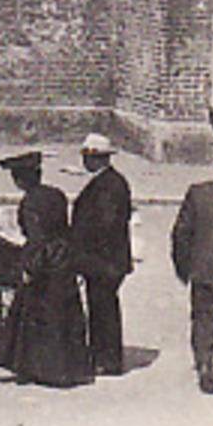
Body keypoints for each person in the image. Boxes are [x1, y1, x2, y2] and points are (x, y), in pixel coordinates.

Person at [0, 152, 93, 388]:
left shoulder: (30, 202)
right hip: (63, 259)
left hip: (45, 263)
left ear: (20, 180)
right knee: (65, 315)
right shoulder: (55, 194)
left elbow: (37, 239)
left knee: (37, 318)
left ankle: (43, 370)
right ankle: (71, 369)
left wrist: (29, 268)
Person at [170, 137, 213, 393]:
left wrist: (184, 269)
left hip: (205, 270)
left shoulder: (199, 193)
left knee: (204, 319)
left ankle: (205, 366)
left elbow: (181, 235)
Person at [70, 133, 132, 376]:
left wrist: (80, 246)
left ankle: (108, 359)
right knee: (101, 306)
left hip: (104, 261)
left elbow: (105, 225)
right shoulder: (108, 181)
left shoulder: (109, 185)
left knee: (103, 307)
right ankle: (102, 354)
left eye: (87, 157)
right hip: (106, 260)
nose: (84, 162)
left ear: (97, 158)